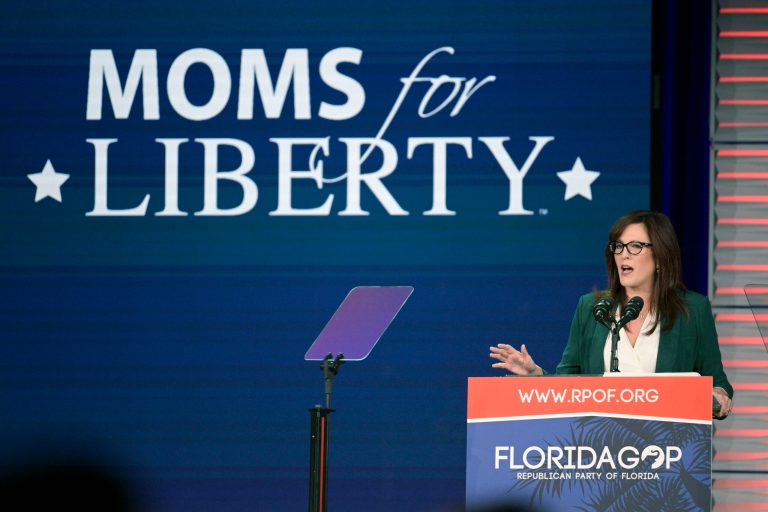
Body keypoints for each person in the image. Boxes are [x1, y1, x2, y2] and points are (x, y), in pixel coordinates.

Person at [489, 210, 733, 419]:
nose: (623, 254)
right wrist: (536, 375)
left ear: (660, 257)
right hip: (602, 450)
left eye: (635, 246)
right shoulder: (593, 308)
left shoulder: (692, 310)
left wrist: (718, 399)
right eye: (618, 246)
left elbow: (718, 385)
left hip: (669, 454)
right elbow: (567, 384)